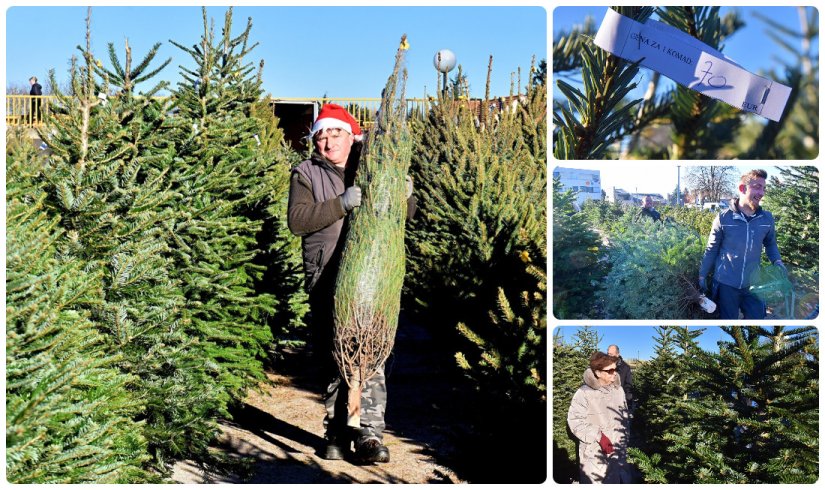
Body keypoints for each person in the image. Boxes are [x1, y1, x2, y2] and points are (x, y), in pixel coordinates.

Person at [287, 103, 416, 464]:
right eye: (322, 136)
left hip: (371, 278)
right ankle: (337, 432)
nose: (328, 143)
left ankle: (369, 434)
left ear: (350, 135)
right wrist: (341, 203)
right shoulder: (306, 173)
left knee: (369, 352)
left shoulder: (370, 167)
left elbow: (402, 216)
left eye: (335, 134)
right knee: (337, 355)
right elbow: (297, 220)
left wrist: (406, 197)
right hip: (326, 275)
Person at [698, 169, 784, 320]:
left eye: (763, 188)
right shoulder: (723, 218)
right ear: (742, 188)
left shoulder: (766, 219)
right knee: (729, 322)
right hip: (726, 284)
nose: (762, 192)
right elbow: (711, 249)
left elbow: (770, 244)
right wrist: (702, 274)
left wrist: (777, 261)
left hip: (754, 284)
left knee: (756, 319)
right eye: (757, 187)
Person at [568, 351, 630, 484]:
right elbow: (575, 422)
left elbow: (624, 416)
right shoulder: (584, 393)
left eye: (616, 369)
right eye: (610, 370)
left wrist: (625, 437)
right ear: (597, 372)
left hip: (618, 450)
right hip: (595, 453)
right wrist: (599, 437)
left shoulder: (618, 390)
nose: (615, 373)